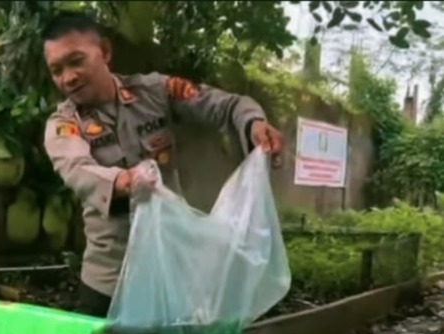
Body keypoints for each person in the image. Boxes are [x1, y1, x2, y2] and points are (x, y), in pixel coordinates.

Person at [41, 11, 284, 318]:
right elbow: (76, 168)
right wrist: (124, 181)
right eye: (56, 70)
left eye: (75, 61)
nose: (68, 77)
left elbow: (227, 105)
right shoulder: (63, 124)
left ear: (104, 51)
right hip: (108, 286)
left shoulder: (156, 92)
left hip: (171, 278)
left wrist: (254, 124)